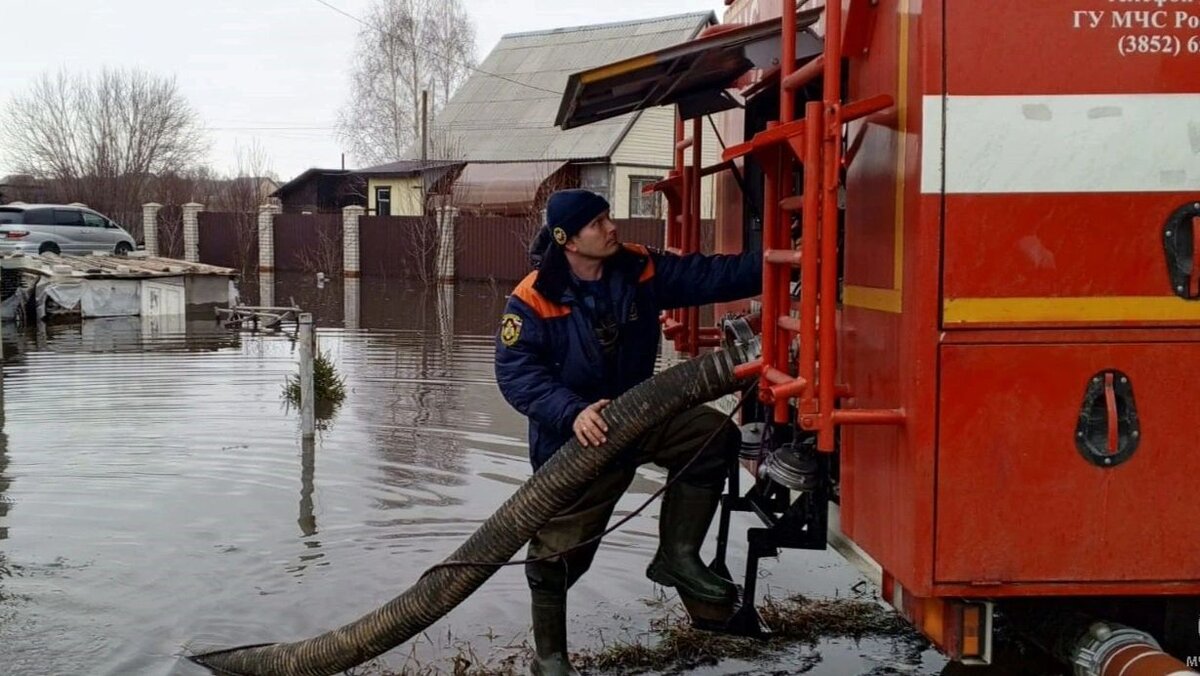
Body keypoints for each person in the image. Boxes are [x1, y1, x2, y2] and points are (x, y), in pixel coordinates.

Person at [495, 189, 763, 676]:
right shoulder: (532, 299)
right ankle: (550, 660)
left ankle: (678, 556)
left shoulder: (637, 267)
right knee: (557, 557)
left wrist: (783, 263)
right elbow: (517, 375)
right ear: (568, 241)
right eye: (597, 223)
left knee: (710, 436)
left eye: (606, 217)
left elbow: (709, 276)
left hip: (640, 417)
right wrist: (573, 412)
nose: (612, 227)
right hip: (579, 439)